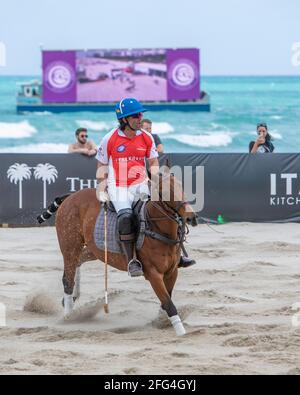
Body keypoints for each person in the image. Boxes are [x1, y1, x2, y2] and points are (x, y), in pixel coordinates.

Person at [96, 98, 195, 277]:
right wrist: (102, 187)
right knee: (126, 218)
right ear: (124, 119)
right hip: (119, 187)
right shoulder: (109, 138)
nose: (140, 118)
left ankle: (178, 254)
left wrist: (156, 178)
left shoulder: (146, 137)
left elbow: (153, 161)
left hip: (141, 184)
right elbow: (101, 165)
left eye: (141, 114)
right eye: (135, 115)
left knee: (168, 209)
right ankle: (132, 261)